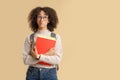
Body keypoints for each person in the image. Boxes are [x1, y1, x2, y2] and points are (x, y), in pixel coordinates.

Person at [23, 7, 63, 80]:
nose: (42, 20)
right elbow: (26, 60)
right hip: (32, 73)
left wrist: (38, 56)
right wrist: (47, 54)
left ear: (49, 20)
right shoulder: (30, 38)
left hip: (50, 73)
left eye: (45, 17)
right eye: (39, 17)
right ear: (35, 19)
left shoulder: (56, 37)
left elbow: (57, 59)